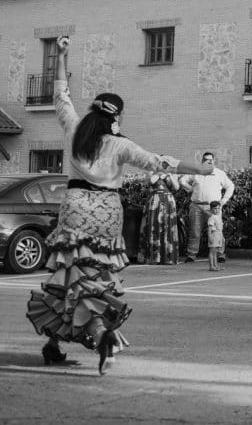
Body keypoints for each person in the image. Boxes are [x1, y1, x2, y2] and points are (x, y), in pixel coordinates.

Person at [25, 36, 211, 375]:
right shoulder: (119, 144)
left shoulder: (75, 130)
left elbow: (60, 96)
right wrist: (198, 167)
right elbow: (157, 161)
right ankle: (59, 343)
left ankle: (96, 335)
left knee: (69, 275)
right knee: (92, 278)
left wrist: (63, 56)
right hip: (107, 213)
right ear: (117, 117)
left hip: (76, 207)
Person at [180, 152, 234, 263]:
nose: (208, 161)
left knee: (217, 231)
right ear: (202, 161)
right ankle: (191, 254)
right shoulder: (196, 172)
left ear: (214, 161)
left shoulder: (219, 173)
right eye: (206, 159)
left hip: (213, 207)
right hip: (196, 206)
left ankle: (220, 254)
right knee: (194, 231)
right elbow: (182, 180)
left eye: (210, 159)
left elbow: (230, 186)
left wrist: (223, 201)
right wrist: (190, 189)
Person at [141, 170, 179, 265]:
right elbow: (151, 182)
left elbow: (176, 187)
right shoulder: (151, 173)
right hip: (155, 200)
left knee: (168, 226)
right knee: (154, 226)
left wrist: (170, 175)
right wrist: (158, 174)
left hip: (168, 200)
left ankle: (169, 257)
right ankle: (154, 257)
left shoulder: (171, 174)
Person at [207, 201, 224, 271]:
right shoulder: (212, 218)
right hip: (214, 235)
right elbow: (209, 229)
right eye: (215, 208)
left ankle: (216, 265)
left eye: (218, 208)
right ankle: (211, 266)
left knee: (216, 252)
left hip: (218, 235)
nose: (216, 210)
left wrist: (221, 237)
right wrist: (210, 237)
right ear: (211, 209)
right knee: (212, 251)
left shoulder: (218, 217)